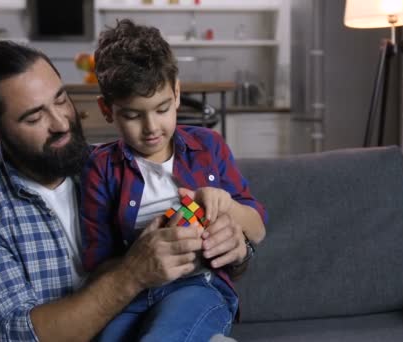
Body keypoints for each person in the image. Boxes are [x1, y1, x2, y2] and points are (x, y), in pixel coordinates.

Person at [0, 39, 252, 342]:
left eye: (61, 100)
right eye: (34, 117)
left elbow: (218, 245)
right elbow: (17, 336)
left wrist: (233, 248)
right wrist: (132, 274)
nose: (60, 123)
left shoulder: (114, 166)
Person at [79, 19, 267, 341]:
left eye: (162, 108)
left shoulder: (208, 146)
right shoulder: (100, 168)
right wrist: (139, 256)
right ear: (107, 109)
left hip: (198, 285)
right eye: (133, 115)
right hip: (131, 294)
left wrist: (227, 205)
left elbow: (258, 228)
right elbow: (96, 266)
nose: (151, 127)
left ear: (177, 93)